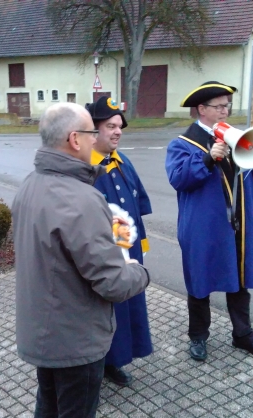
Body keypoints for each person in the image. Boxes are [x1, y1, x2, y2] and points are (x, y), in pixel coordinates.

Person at [12, 102, 150, 418]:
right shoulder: (80, 199)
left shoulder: (31, 184)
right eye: (92, 132)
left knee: (49, 408)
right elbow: (113, 283)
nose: (96, 139)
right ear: (75, 139)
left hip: (43, 330)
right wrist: (140, 272)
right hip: (76, 338)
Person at [165, 81, 253, 361]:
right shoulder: (181, 144)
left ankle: (243, 335)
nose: (225, 111)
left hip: (238, 223)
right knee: (200, 279)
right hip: (203, 226)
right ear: (201, 109)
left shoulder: (236, 137)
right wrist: (207, 159)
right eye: (219, 106)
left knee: (240, 279)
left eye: (227, 106)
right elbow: (178, 179)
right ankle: (198, 336)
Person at [86, 96, 153, 387]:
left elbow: (138, 209)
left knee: (125, 310)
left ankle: (114, 361)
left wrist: (142, 249)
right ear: (92, 131)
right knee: (99, 313)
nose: (117, 132)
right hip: (102, 258)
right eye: (110, 126)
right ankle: (93, 369)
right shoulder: (83, 169)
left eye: (119, 126)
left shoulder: (122, 161)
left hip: (129, 254)